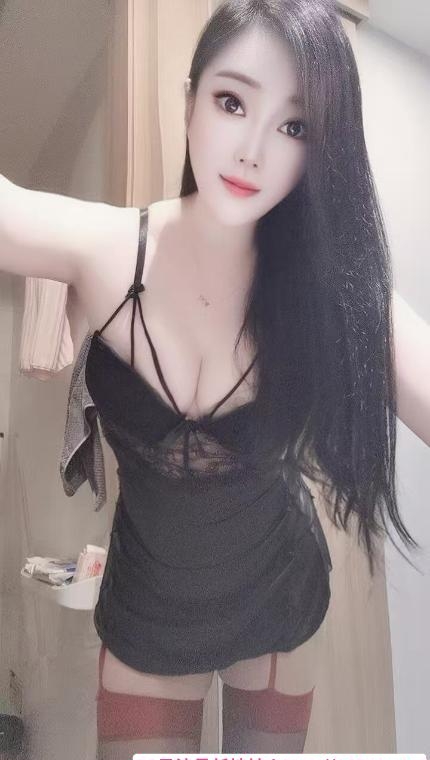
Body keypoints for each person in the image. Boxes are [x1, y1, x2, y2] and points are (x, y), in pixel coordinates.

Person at [0, 0, 429, 756]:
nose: (253, 151)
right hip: (150, 608)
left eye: (295, 126)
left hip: (280, 595)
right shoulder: (106, 250)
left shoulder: (337, 292)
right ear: (191, 98)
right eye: (233, 102)